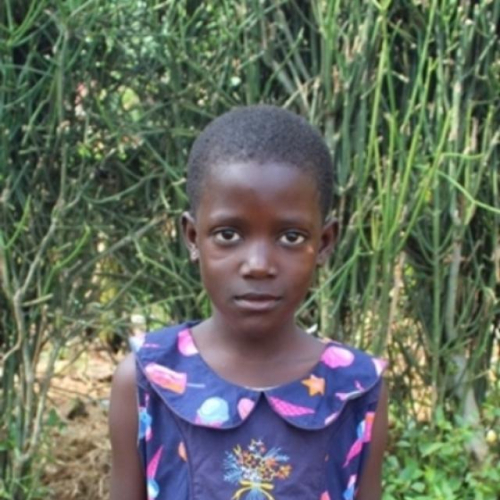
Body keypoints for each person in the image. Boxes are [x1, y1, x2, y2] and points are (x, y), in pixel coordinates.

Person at [109, 105, 388, 500]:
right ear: (193, 237)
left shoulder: (354, 389)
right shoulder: (146, 380)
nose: (258, 265)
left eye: (290, 237)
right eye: (228, 234)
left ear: (324, 243)